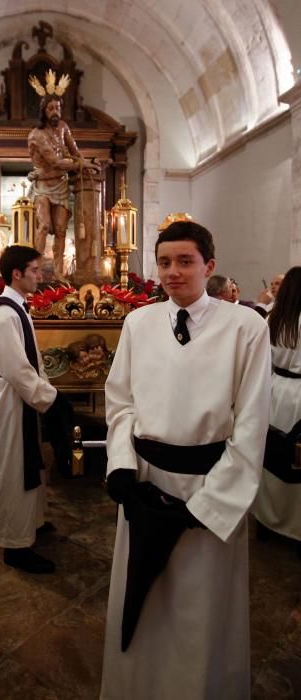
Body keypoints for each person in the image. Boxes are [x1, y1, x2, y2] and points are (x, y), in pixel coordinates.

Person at [101, 220, 271, 700]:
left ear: (209, 265)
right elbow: (121, 402)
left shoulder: (246, 326)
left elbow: (251, 423)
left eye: (185, 261)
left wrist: (210, 505)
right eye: (164, 262)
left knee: (200, 606)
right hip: (146, 482)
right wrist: (121, 469)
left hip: (207, 487)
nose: (173, 273)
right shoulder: (139, 322)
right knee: (146, 598)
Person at [0, 245, 71, 574]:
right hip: (10, 400)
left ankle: (31, 520)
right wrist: (50, 399)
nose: (41, 276)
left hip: (20, 398)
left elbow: (31, 362)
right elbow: (16, 369)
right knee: (13, 470)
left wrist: (45, 392)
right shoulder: (4, 313)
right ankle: (14, 544)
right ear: (16, 274)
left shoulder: (18, 306)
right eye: (35, 270)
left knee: (28, 465)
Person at [252, 267, 301, 554]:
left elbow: (263, 360)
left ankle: (267, 520)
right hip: (297, 395)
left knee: (272, 458)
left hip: (275, 390)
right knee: (295, 460)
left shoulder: (275, 318)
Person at [27, 94, 84, 280]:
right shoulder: (36, 134)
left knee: (60, 229)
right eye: (51, 108)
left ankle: (59, 273)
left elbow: (75, 151)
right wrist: (80, 164)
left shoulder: (63, 128)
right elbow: (55, 161)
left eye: (58, 108)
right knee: (43, 225)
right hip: (43, 185)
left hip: (60, 185)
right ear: (43, 111)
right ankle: (36, 271)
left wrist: (83, 161)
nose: (55, 112)